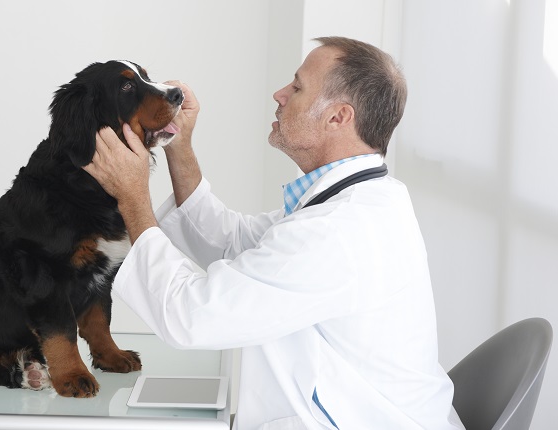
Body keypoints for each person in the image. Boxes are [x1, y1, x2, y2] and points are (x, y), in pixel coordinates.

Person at [83, 37, 464, 430]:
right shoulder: (354, 201)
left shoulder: (337, 232)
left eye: (297, 87)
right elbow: (232, 242)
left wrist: (132, 196)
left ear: (338, 117)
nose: (279, 94)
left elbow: (190, 317)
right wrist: (178, 144)